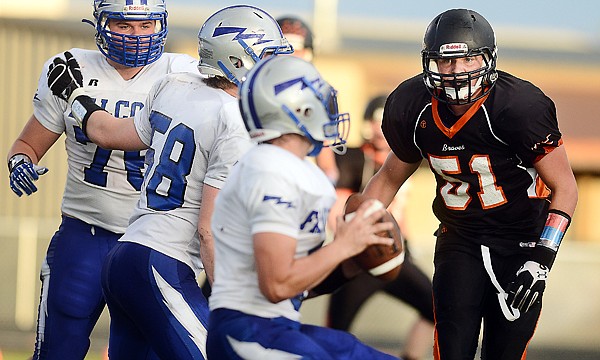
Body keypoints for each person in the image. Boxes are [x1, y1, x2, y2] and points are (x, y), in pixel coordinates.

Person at [45, 4, 291, 359]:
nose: (274, 67)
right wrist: (232, 304)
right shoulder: (236, 125)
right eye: (267, 54)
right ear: (238, 60)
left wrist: (75, 98)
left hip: (124, 257)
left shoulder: (176, 86)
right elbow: (209, 230)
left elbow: (110, 132)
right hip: (163, 263)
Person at [362, 8, 578, 360]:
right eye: (445, 62)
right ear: (428, 63)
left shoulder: (518, 106)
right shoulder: (412, 105)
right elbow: (388, 177)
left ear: (488, 59)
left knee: (504, 351)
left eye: (468, 59)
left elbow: (565, 187)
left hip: (520, 240)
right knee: (453, 347)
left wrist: (542, 257)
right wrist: (357, 225)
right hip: (459, 236)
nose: (457, 71)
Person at [6, 1, 198, 358]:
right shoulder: (71, 67)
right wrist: (19, 161)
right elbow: (27, 144)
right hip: (86, 233)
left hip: (157, 240)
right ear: (100, 23)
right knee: (57, 349)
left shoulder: (184, 74)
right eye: (124, 25)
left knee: (144, 352)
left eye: (146, 25)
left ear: (162, 25)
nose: (136, 36)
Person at [206, 55, 399, 359]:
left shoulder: (303, 173)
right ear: (296, 108)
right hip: (249, 330)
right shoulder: (270, 169)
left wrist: (349, 263)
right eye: (319, 99)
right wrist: (343, 245)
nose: (329, 109)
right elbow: (277, 284)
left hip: (281, 325)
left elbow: (300, 286)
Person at [327, 94, 435, 360]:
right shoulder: (354, 158)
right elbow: (339, 211)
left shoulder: (406, 157)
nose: (381, 127)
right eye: (377, 121)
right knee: (335, 332)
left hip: (399, 255)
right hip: (362, 256)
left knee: (439, 310)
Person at [277, 15, 340, 185]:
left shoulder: (317, 94)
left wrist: (324, 187)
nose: (291, 54)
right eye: (285, 48)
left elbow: (328, 166)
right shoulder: (256, 91)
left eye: (296, 48)